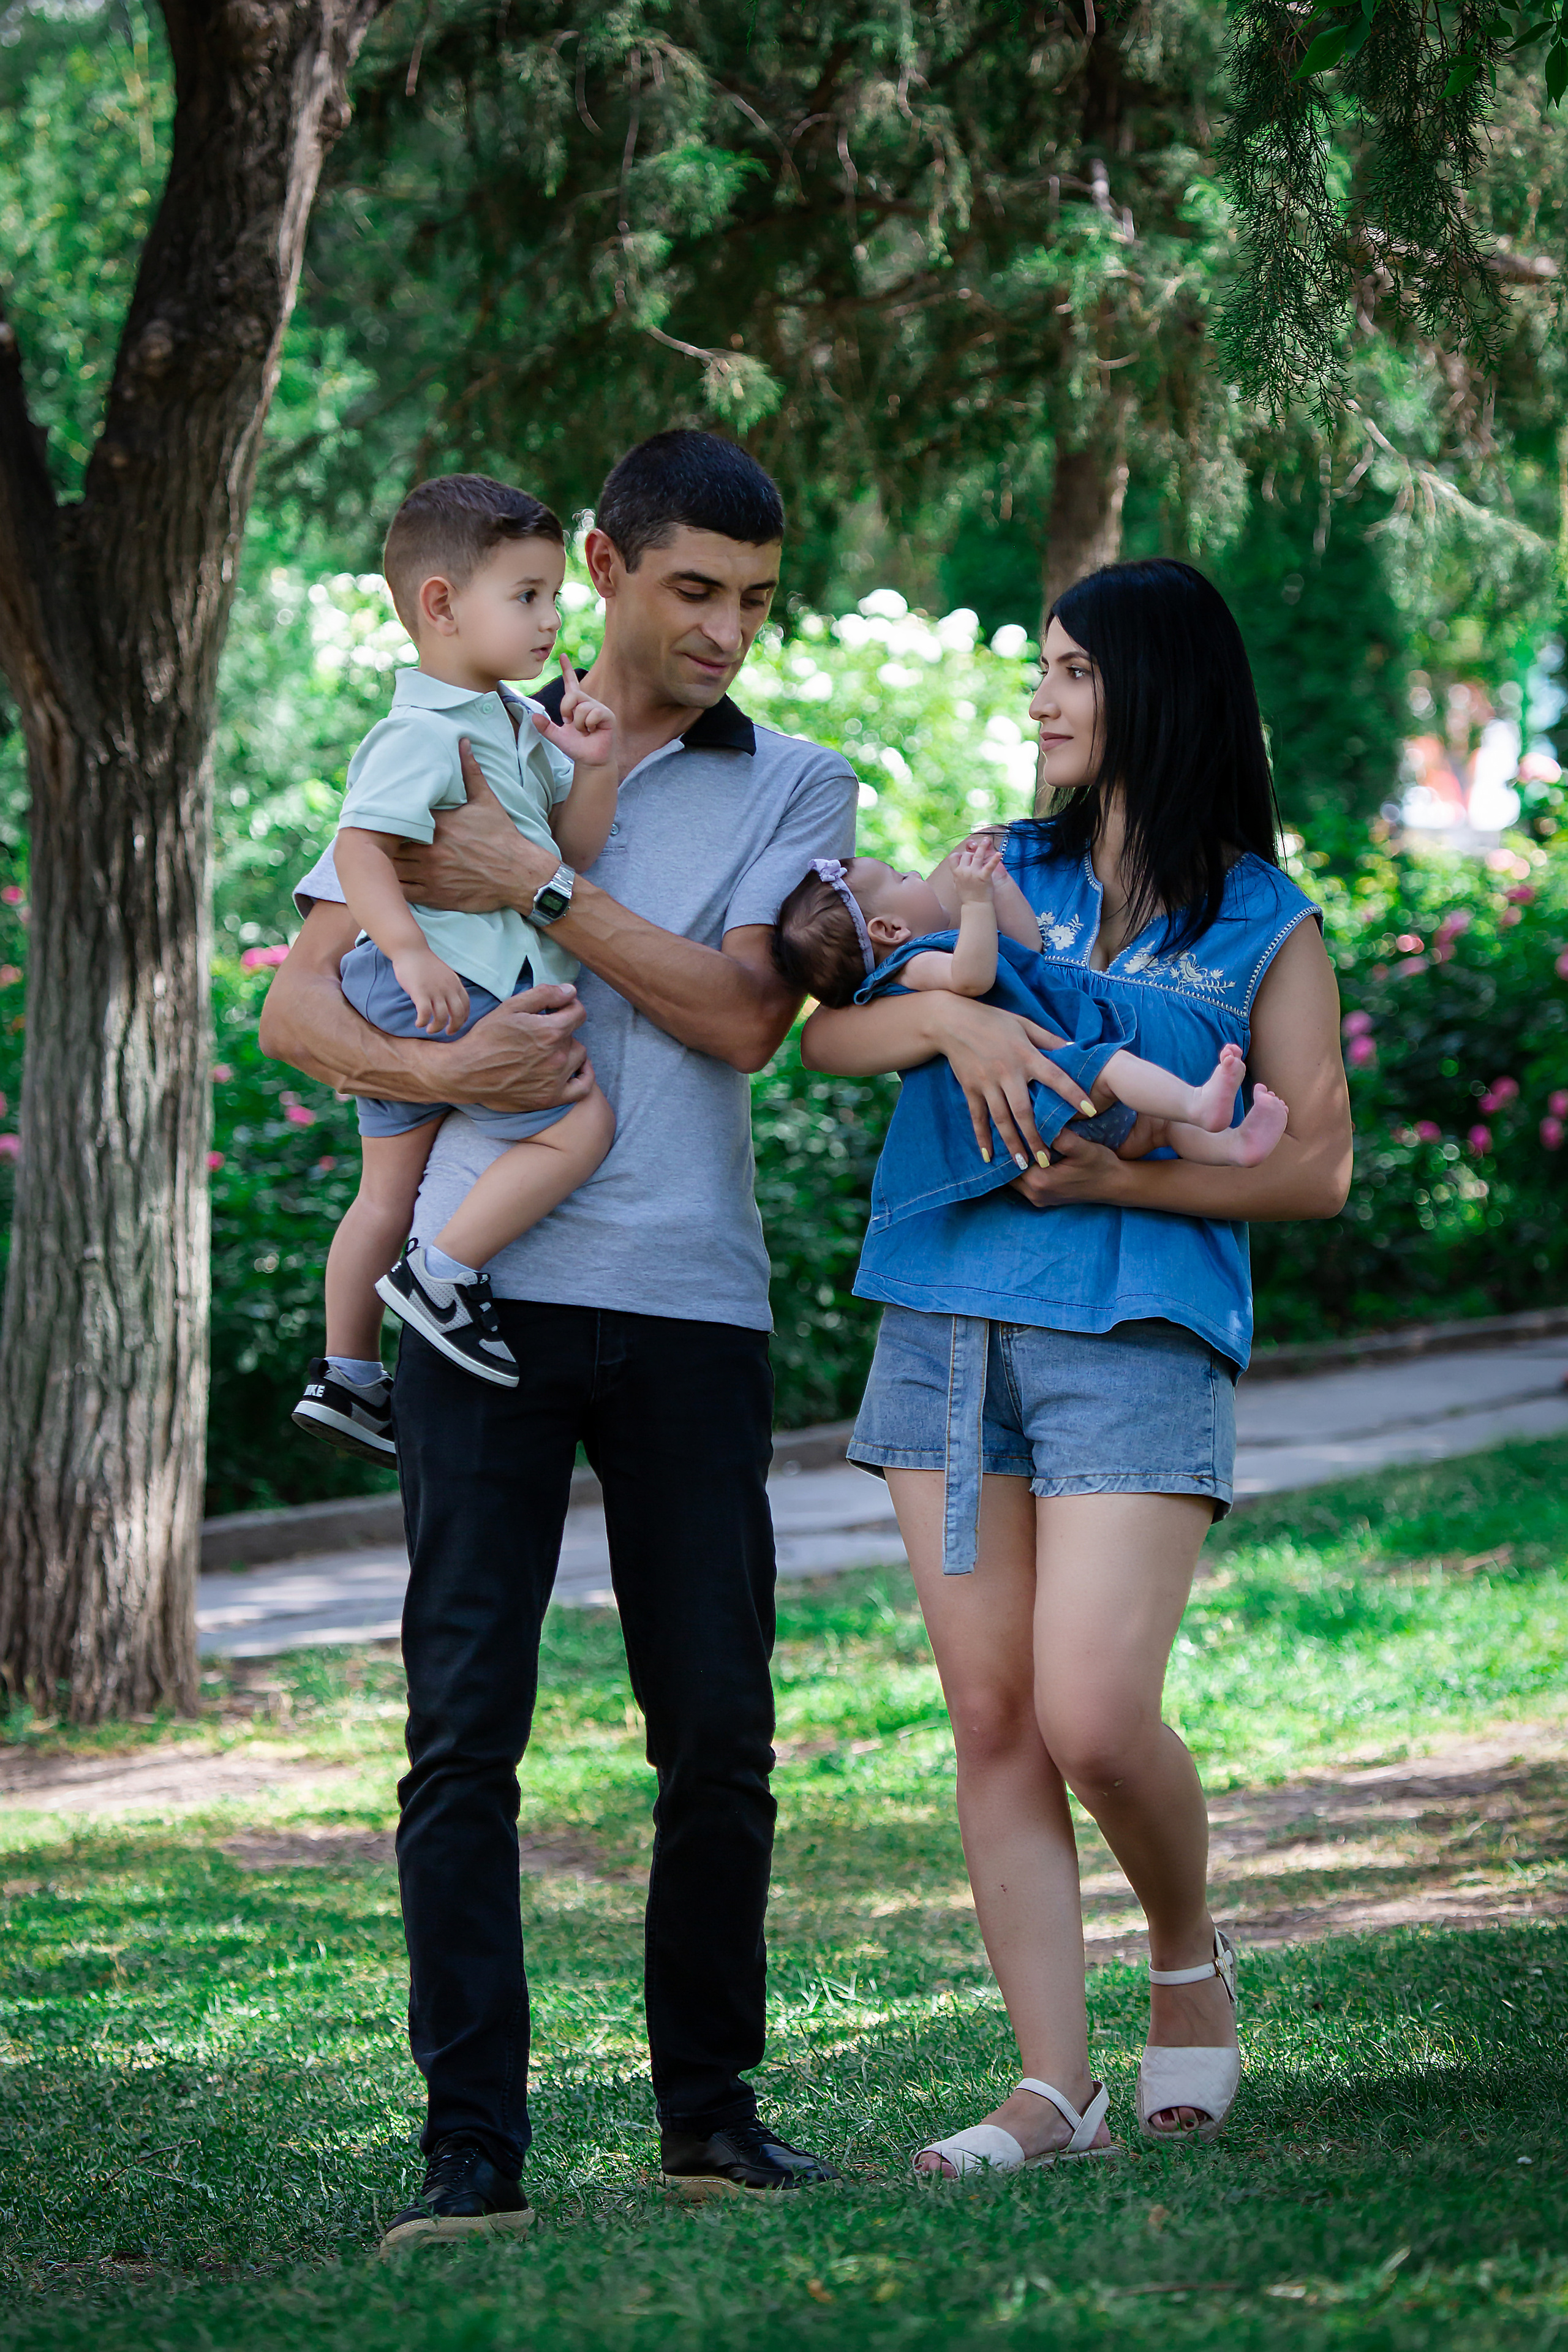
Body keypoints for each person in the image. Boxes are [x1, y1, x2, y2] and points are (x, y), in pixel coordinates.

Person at [260, 431, 855, 2247]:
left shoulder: (795, 780)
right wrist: (445, 1068)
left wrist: (534, 883)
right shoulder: (455, 727)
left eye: (756, 600)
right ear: (600, 565)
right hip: (475, 1298)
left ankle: (709, 2118)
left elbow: (740, 1017)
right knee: (464, 1732)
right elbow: (297, 1012)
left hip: (689, 1300)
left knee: (719, 1727)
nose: (727, 630)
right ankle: (471, 2150)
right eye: (693, 589)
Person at [798, 559, 1352, 2173]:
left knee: (1094, 1714)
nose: (1038, 697)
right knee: (991, 1715)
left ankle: (1184, 1957)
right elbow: (829, 1033)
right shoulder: (989, 868)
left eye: (1070, 670)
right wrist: (952, 1024)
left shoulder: (1264, 918)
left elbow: (1314, 1169)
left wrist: (1126, 1181)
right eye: (1040, 670)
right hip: (946, 1326)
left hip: (1138, 1337)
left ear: (1153, 689)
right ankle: (1055, 2088)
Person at [292, 475, 620, 1461]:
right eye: (527, 596)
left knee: (384, 1190)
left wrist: (593, 765)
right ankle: (443, 1272)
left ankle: (347, 1373)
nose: (552, 619)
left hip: (428, 983)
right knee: (582, 1123)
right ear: (442, 605)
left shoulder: (509, 721)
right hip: (446, 980)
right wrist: (405, 950)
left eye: (554, 597)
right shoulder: (425, 730)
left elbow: (573, 853)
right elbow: (360, 846)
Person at [771, 842, 1291, 1246]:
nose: (914, 873)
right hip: (1048, 1093)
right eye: (900, 877)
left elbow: (1025, 948)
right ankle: (1197, 1103)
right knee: (1112, 1067)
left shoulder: (940, 948)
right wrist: (976, 900)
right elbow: (973, 978)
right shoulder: (914, 965)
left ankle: (1233, 1146)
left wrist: (999, 886)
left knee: (1156, 1126)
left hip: (1070, 1115)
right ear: (889, 928)